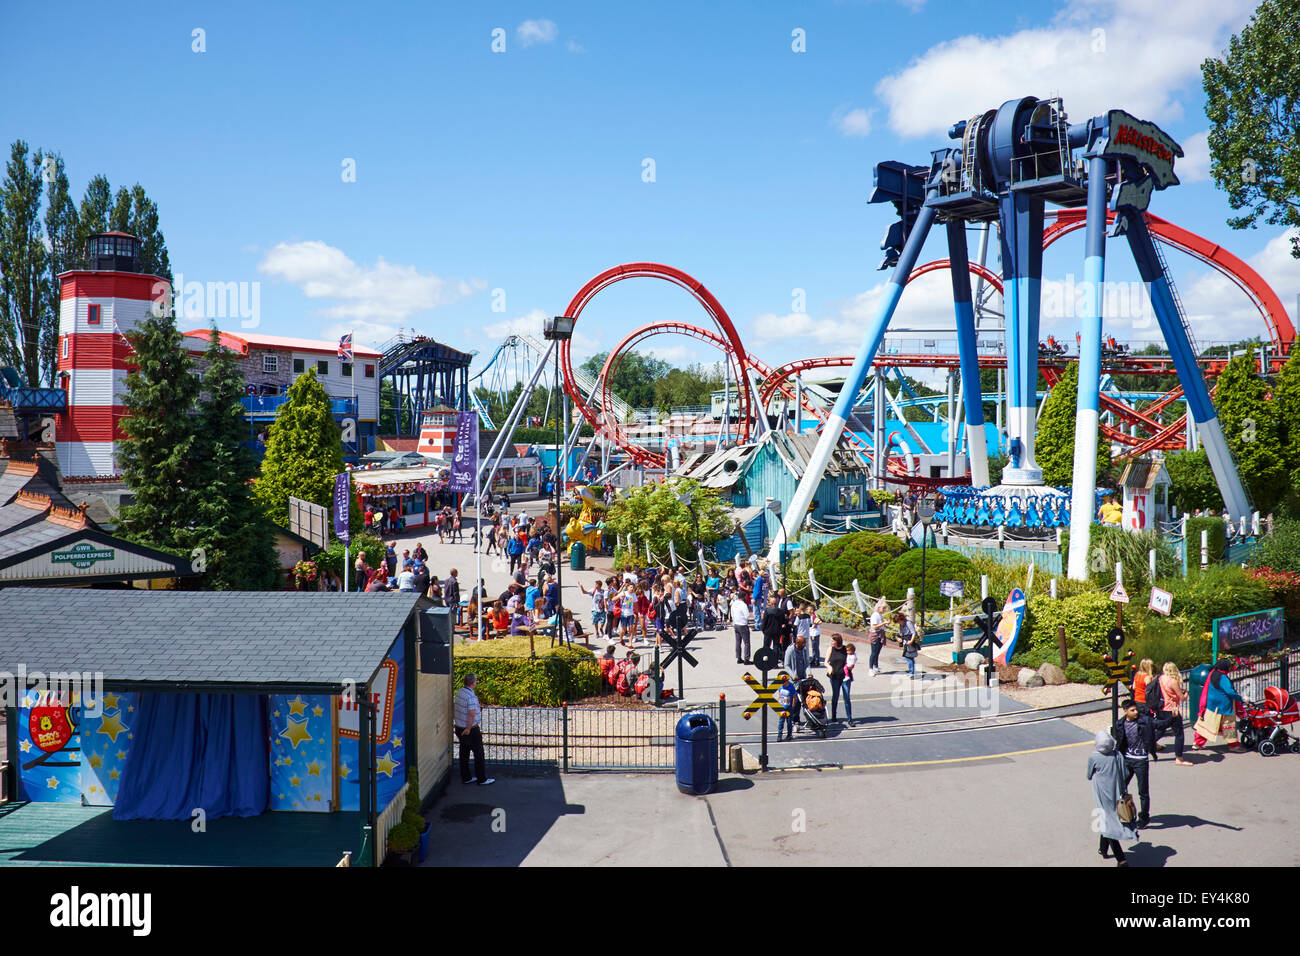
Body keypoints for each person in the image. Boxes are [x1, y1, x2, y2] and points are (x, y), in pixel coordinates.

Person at [1086, 729, 1136, 866]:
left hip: (1103, 795)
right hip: (1118, 794)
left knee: (1108, 824)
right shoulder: (1117, 754)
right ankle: (1103, 849)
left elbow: (1089, 775)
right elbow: (1125, 772)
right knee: (1106, 820)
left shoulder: (1094, 757)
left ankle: (1121, 859)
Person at [1111, 698, 1157, 828]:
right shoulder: (1120, 724)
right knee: (1121, 787)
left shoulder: (1144, 721)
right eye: (1132, 710)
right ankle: (1124, 812)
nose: (1136, 712)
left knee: (1143, 791)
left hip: (1141, 761)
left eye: (1136, 709)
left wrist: (1173, 719)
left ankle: (1144, 817)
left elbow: (1159, 724)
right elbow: (1118, 740)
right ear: (1125, 711)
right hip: (1127, 760)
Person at [454, 673, 494, 786]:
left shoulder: (460, 692)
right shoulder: (470, 696)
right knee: (479, 754)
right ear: (473, 683)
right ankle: (482, 779)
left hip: (459, 727)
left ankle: (466, 777)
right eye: (476, 681)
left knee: (464, 753)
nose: (476, 682)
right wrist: (468, 728)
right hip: (470, 729)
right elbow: (471, 714)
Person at [1194, 658, 1242, 750]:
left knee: (1206, 725)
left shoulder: (1213, 673)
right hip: (1224, 706)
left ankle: (1197, 743)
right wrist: (1239, 698)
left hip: (1212, 705)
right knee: (1229, 725)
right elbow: (1229, 691)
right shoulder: (1223, 678)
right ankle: (1233, 745)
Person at [1153, 661, 1192, 766]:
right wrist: (1186, 693)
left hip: (1161, 707)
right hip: (1172, 710)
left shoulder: (1161, 678)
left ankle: (1146, 744)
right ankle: (1179, 758)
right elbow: (1182, 698)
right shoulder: (1173, 681)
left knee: (1161, 729)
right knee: (1179, 734)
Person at [827, 634, 851, 723]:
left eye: (833, 641)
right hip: (834, 676)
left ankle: (849, 718)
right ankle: (834, 716)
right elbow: (826, 662)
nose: (831, 642)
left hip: (845, 677)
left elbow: (852, 658)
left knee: (847, 697)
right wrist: (829, 667)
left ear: (838, 641)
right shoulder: (830, 649)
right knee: (835, 696)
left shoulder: (845, 649)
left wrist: (851, 666)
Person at [776, 671, 799, 741]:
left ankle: (789, 734)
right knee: (781, 721)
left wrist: (793, 704)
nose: (782, 683)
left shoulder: (791, 686)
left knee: (789, 721)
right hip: (782, 706)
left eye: (784, 682)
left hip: (789, 707)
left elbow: (794, 695)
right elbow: (780, 694)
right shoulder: (780, 686)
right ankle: (779, 735)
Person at [867, 599, 889, 675]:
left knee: (877, 652)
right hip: (875, 635)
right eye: (883, 608)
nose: (884, 610)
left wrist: (885, 624)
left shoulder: (880, 615)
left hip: (881, 634)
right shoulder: (874, 615)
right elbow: (874, 627)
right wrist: (883, 623)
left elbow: (880, 624)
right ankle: (870, 669)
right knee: (873, 652)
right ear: (878, 608)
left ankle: (876, 666)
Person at [895, 610, 919, 678]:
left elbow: (913, 632)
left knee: (909, 657)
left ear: (901, 619)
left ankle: (912, 672)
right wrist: (898, 639)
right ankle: (911, 672)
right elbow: (900, 633)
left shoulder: (908, 623)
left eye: (899, 621)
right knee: (909, 657)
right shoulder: (901, 625)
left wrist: (911, 641)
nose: (898, 623)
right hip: (906, 641)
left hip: (910, 641)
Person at [731, 591, 752, 664]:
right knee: (746, 642)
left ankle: (739, 657)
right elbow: (747, 616)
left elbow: (732, 613)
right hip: (743, 624)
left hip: (736, 623)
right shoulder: (743, 605)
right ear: (744, 597)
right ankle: (746, 659)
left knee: (738, 642)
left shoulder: (734, 603)